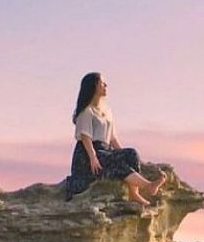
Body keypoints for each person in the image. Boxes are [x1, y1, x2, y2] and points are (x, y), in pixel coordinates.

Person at [64, 72, 165, 206]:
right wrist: (93, 157)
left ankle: (134, 193)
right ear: (94, 87)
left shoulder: (107, 111)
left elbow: (112, 138)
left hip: (106, 150)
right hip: (88, 153)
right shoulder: (87, 111)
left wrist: (123, 154)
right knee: (115, 162)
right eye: (102, 83)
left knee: (131, 153)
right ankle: (148, 185)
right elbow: (85, 137)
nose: (106, 85)